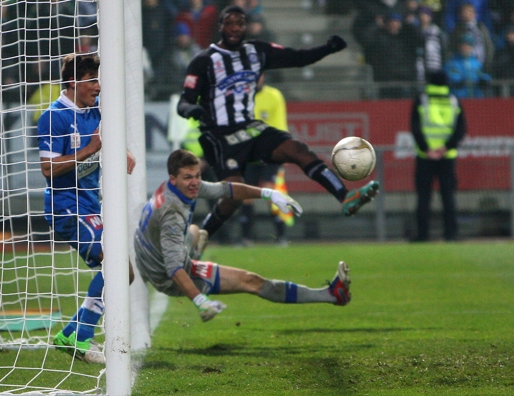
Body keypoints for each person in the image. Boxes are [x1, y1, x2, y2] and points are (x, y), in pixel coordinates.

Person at [177, 5, 380, 254]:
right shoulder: (204, 60)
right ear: (221, 27)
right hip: (219, 135)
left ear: (245, 27)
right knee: (235, 194)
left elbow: (297, 57)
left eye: (239, 24)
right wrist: (192, 110)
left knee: (298, 149)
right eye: (229, 24)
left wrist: (327, 49)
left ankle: (345, 196)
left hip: (250, 128)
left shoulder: (258, 51)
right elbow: (184, 100)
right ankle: (203, 235)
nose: (234, 29)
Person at [134, 149, 352, 323]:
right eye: (188, 177)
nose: (194, 182)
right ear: (173, 179)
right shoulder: (172, 213)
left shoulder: (179, 188)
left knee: (195, 231)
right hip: (168, 276)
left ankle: (195, 251)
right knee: (251, 281)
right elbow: (174, 269)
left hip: (150, 255)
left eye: (197, 176)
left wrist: (269, 194)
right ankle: (331, 295)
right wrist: (200, 301)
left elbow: (227, 190)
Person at [37, 54, 136, 364]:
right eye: (93, 80)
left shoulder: (97, 111)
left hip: (91, 205)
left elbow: (110, 142)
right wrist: (89, 149)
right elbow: (48, 169)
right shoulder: (54, 117)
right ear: (73, 82)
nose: (99, 86)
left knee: (126, 272)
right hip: (65, 205)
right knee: (113, 262)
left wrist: (124, 152)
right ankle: (79, 335)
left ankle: (74, 331)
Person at [411, 70, 466, 242]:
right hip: (447, 156)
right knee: (448, 197)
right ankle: (451, 234)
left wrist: (427, 149)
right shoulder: (454, 101)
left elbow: (415, 127)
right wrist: (445, 148)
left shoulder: (422, 100)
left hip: (425, 156)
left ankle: (422, 235)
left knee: (424, 197)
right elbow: (460, 129)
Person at [239, 73, 291, 245]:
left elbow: (279, 127)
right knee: (246, 194)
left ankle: (281, 236)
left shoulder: (274, 96)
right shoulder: (241, 98)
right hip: (248, 155)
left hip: (269, 154)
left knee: (270, 191)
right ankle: (246, 238)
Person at [445, 34, 492, 98]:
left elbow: (481, 74)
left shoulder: (476, 63)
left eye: (468, 45)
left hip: (475, 97)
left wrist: (484, 79)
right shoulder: (453, 62)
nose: (466, 48)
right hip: (459, 97)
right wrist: (458, 80)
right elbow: (451, 75)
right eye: (463, 45)